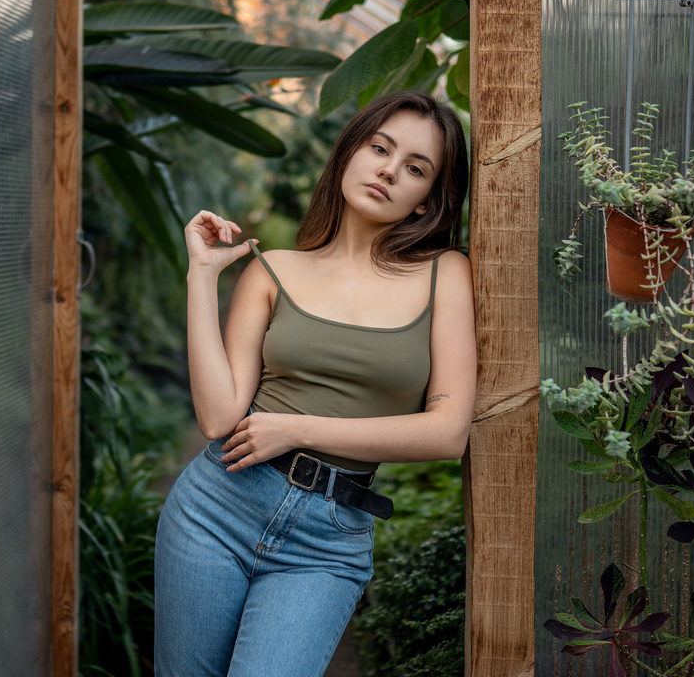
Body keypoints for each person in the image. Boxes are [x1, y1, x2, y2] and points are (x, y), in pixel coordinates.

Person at [153, 90, 477, 677]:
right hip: (215, 509)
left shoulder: (446, 275)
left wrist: (296, 428)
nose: (388, 170)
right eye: (380, 147)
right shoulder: (273, 270)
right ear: (350, 150)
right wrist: (202, 275)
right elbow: (219, 418)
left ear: (428, 199)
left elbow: (448, 432)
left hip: (328, 541)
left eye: (415, 167)